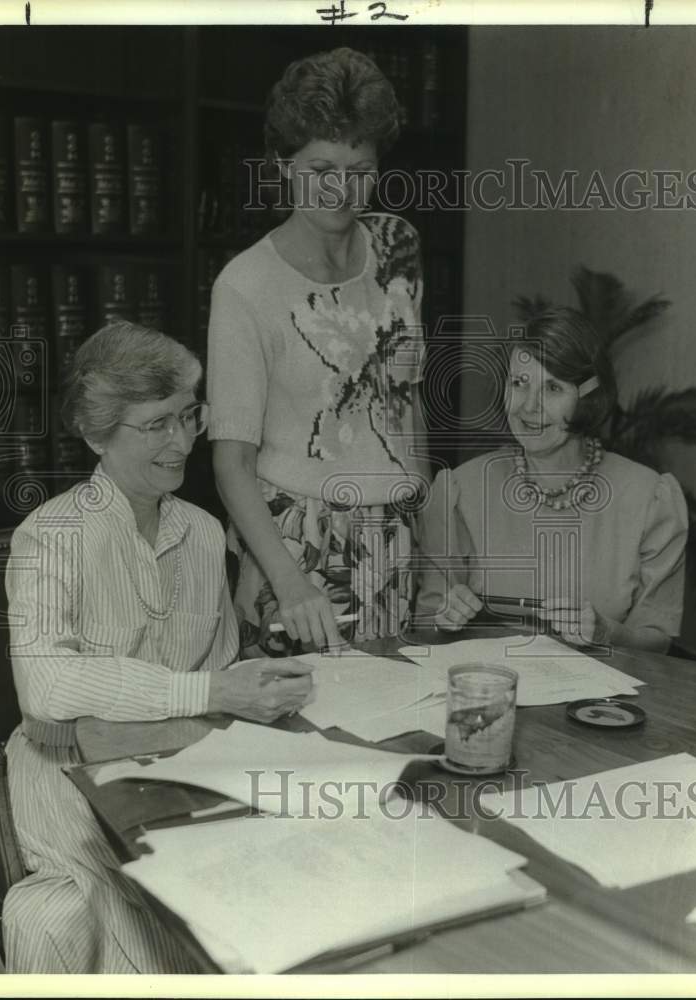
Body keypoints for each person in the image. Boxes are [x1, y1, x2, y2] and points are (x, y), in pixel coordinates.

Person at [2, 322, 313, 974]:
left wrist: (260, 669)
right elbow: (47, 690)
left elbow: (219, 671)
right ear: (97, 435)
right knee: (113, 920)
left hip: (173, 768)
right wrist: (208, 693)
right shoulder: (48, 535)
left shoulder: (201, 533)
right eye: (155, 426)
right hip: (66, 785)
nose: (181, 443)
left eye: (188, 417)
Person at [207, 47, 428, 658]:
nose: (341, 188)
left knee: (396, 736)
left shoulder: (397, 245)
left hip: (394, 538)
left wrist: (426, 540)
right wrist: (288, 582)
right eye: (320, 166)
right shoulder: (244, 286)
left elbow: (406, 402)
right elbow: (231, 463)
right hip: (295, 544)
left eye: (360, 166)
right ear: (284, 166)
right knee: (303, 738)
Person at [417, 307, 688, 653]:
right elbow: (428, 624)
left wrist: (607, 632)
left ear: (589, 398)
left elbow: (657, 643)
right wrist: (446, 617)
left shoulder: (651, 498)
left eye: (553, 387)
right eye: (520, 383)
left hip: (602, 704)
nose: (529, 406)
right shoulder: (459, 490)